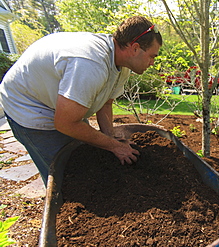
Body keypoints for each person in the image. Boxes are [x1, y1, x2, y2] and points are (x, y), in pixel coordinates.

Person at [0, 16, 162, 186]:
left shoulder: (122, 64)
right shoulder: (90, 64)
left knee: (83, 159)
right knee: (66, 176)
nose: (152, 63)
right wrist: (115, 147)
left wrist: (111, 139)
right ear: (135, 48)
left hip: (60, 105)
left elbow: (105, 103)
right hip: (28, 105)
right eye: (152, 56)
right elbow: (65, 123)